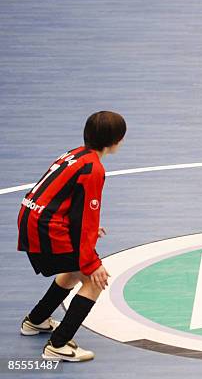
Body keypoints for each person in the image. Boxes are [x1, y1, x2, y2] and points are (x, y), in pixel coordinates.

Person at [17, 111, 126, 361]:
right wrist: (92, 262)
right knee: (94, 279)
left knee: (75, 269)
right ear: (116, 140)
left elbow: (63, 201)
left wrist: (79, 236)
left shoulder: (75, 154)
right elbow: (86, 218)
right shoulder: (94, 170)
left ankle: (36, 320)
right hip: (47, 228)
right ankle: (58, 344)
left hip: (32, 219)